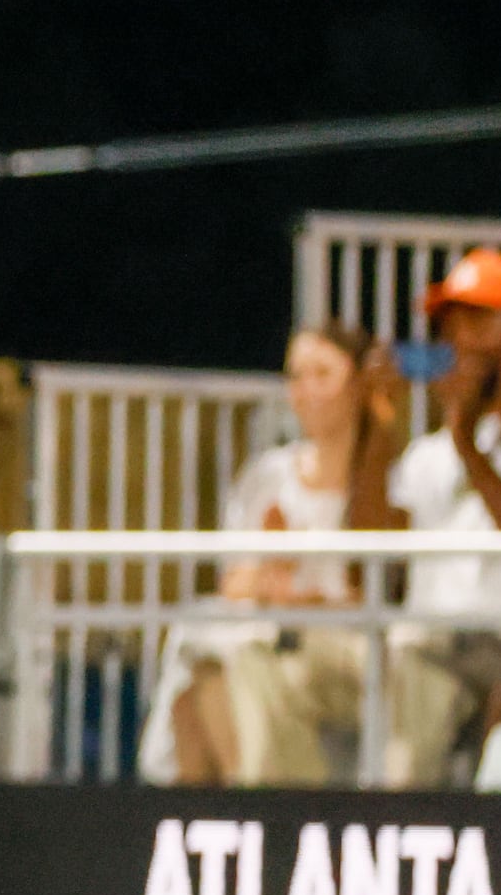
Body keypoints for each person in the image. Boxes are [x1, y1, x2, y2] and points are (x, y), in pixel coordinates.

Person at [137, 322, 393, 785]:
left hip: (351, 647)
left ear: (359, 383)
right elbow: (238, 580)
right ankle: (218, 800)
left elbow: (378, 594)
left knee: (239, 657)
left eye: (322, 374)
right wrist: (271, 579)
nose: (305, 391)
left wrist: (301, 598)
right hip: (273, 632)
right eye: (296, 376)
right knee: (206, 649)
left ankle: (250, 805)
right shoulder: (269, 475)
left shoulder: (387, 477)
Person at [381, 248, 501, 786]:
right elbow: (377, 563)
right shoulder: (427, 453)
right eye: (450, 325)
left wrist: (471, 449)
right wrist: (380, 424)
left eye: (478, 321)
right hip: (433, 645)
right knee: (412, 687)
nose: (460, 340)